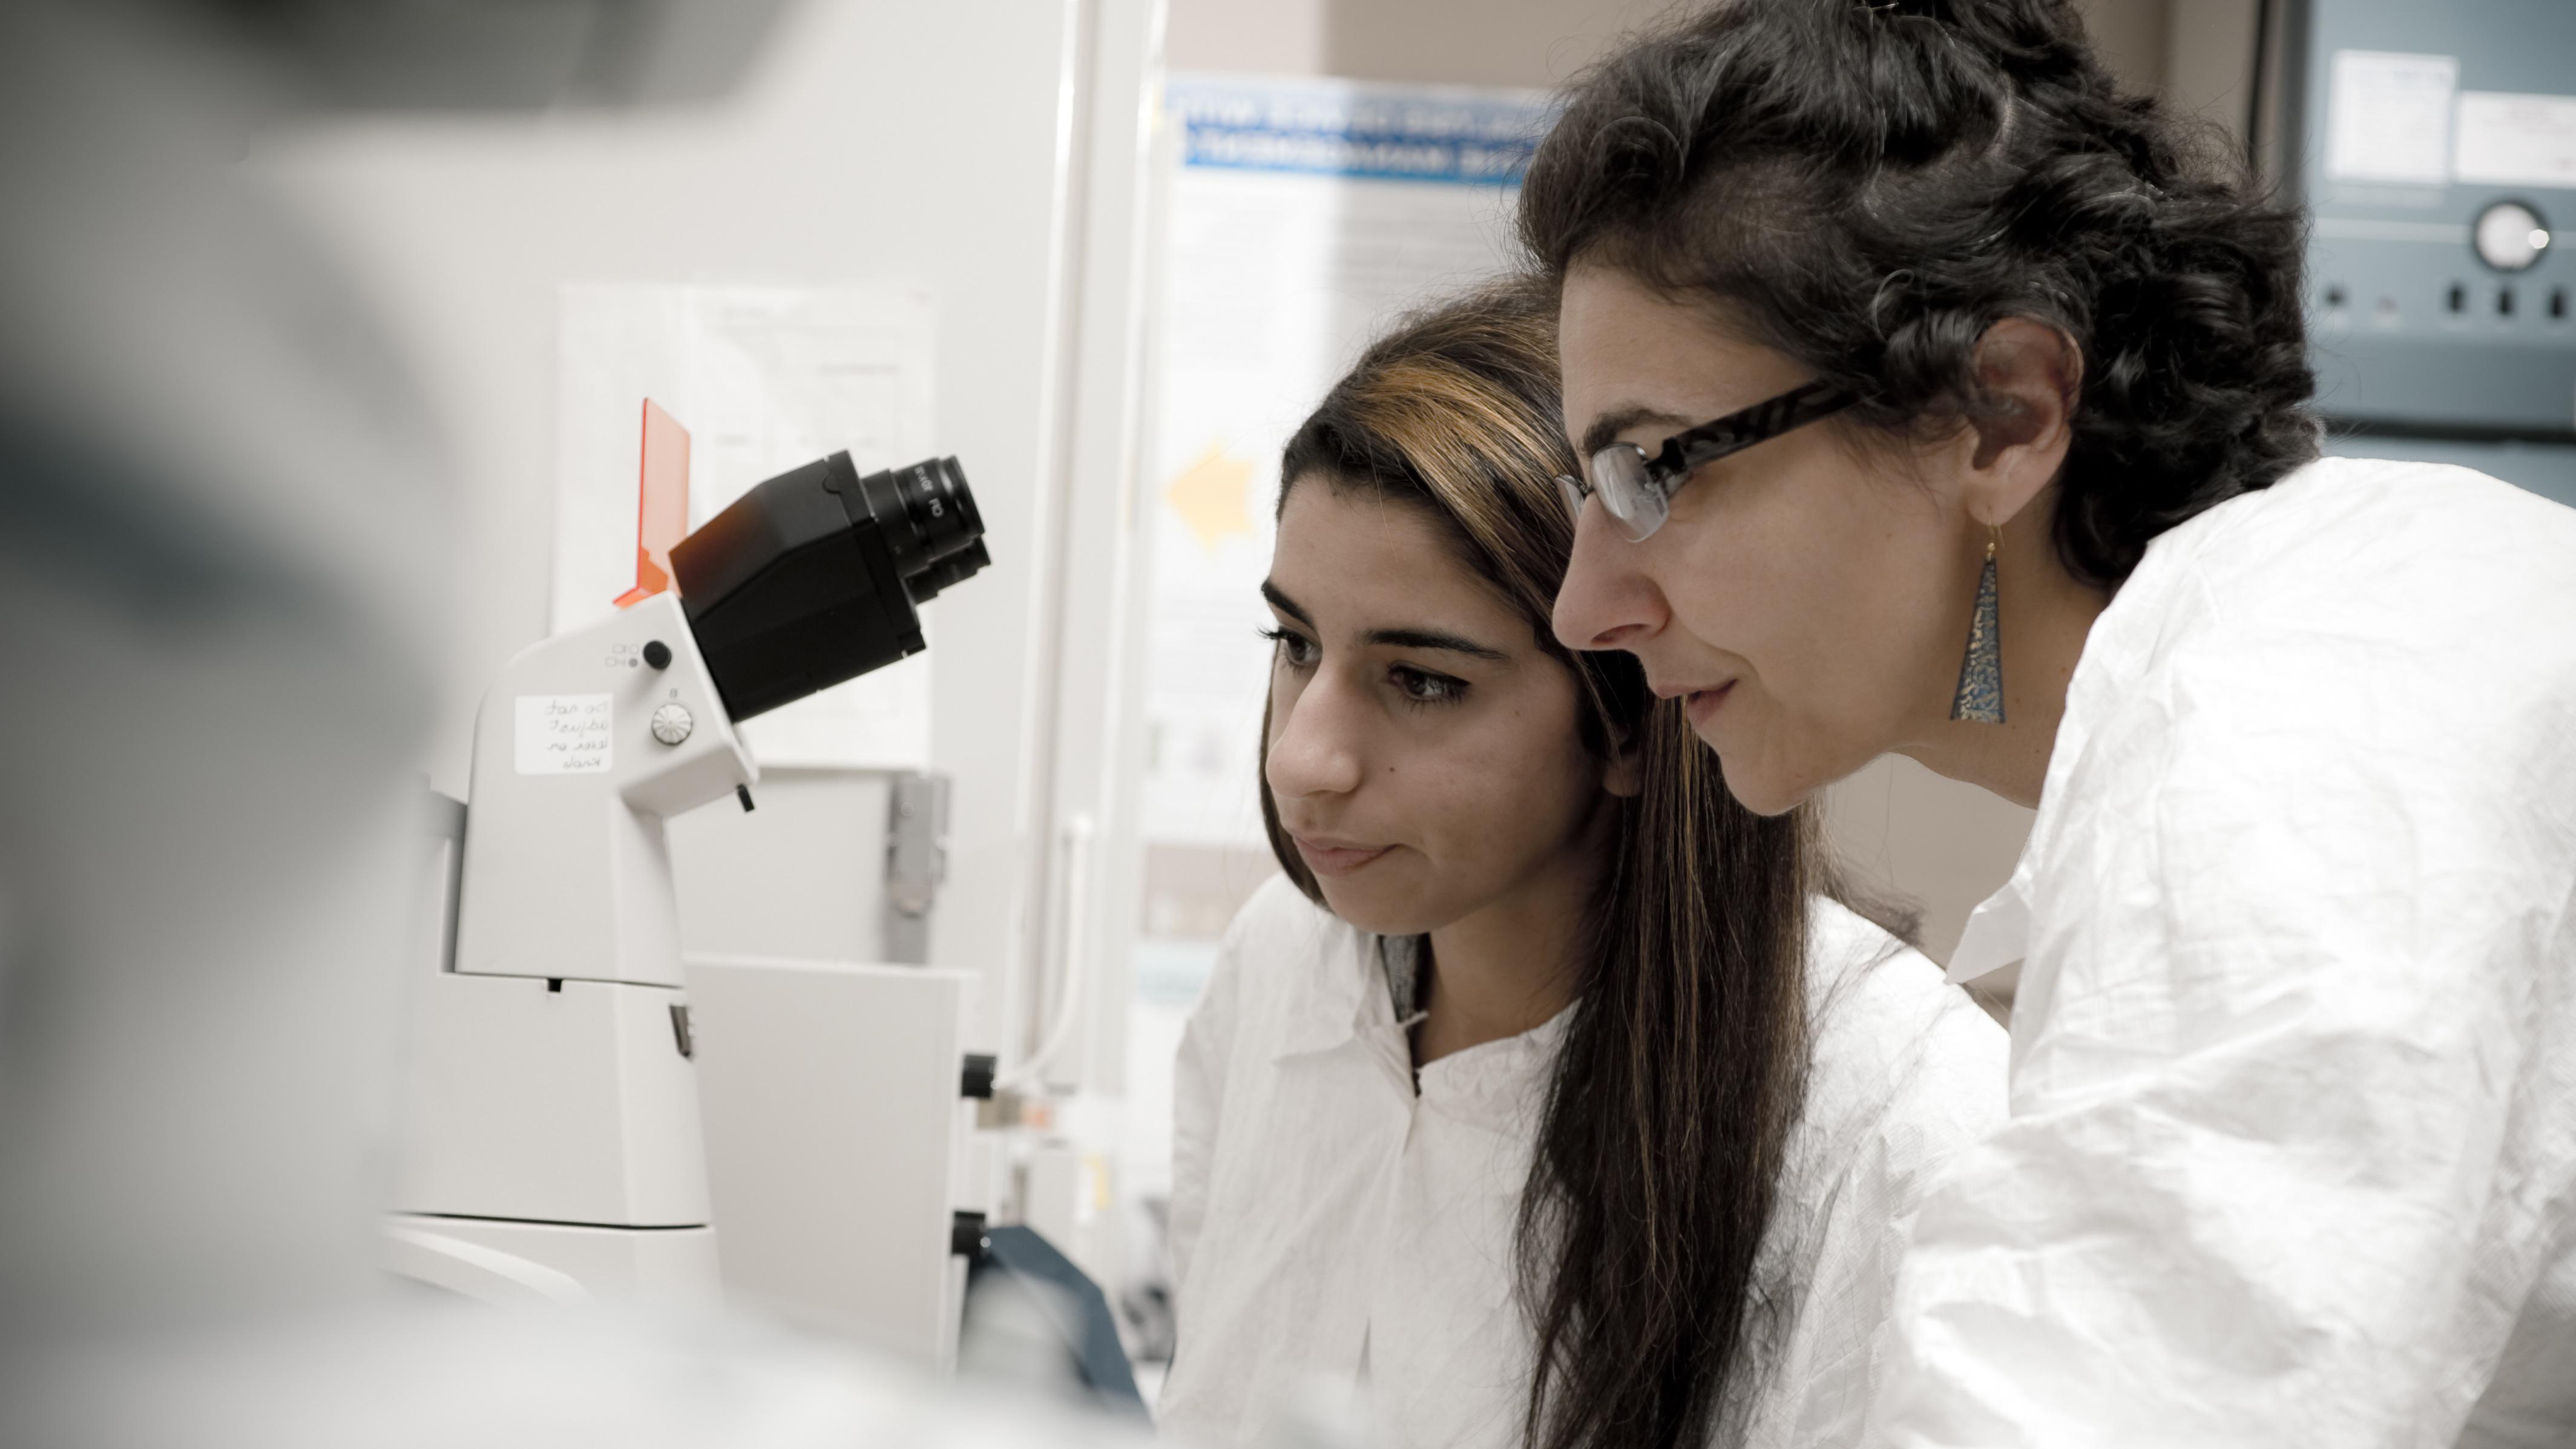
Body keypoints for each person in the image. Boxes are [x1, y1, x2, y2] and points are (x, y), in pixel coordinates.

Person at [1519, 1, 2576, 1444]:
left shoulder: (2298, 725)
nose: (1587, 608)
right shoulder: (2271, 667)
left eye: (1649, 470)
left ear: (2003, 416)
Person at [1159, 280, 2006, 1449]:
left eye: (1423, 681)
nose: (1304, 757)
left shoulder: (1893, 1113)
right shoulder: (1280, 965)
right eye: (1296, 645)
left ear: (1627, 715)